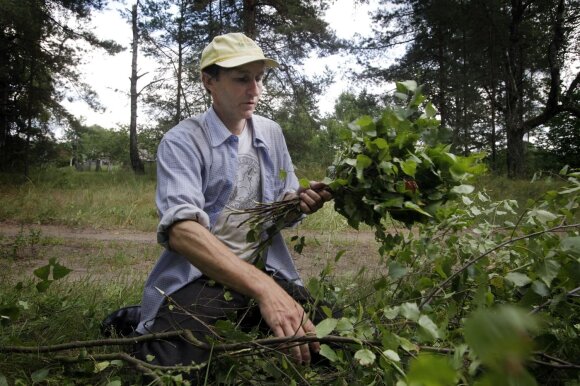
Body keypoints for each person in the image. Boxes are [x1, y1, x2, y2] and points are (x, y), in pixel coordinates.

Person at [134, 32, 333, 369]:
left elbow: (283, 206)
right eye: (242, 79)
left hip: (265, 270)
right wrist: (266, 291)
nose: (255, 90)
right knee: (166, 365)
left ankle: (252, 316)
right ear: (209, 80)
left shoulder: (270, 132)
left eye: (259, 78)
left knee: (329, 343)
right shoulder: (181, 141)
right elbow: (182, 231)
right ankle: (138, 320)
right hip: (203, 278)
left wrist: (300, 201)